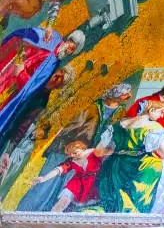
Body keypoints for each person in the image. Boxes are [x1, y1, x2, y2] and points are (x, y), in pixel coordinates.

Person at [17, 83, 131, 211]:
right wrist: (66, 143)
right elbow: (67, 125)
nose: (128, 96)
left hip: (89, 160)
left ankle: (52, 219)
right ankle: (26, 213)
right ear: (114, 92)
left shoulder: (122, 113)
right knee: (45, 188)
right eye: (125, 93)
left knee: (68, 192)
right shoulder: (91, 106)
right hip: (66, 150)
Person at [96, 100, 164, 214]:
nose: (161, 116)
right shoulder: (152, 127)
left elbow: (99, 151)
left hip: (114, 168)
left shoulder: (116, 126)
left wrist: (120, 151)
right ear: (151, 110)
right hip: (141, 167)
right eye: (161, 112)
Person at [0, 65, 74, 199]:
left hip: (11, 135)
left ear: (59, 86)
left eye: (61, 79)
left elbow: (26, 123)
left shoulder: (44, 101)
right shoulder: (37, 82)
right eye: (58, 73)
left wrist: (10, 149)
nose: (56, 77)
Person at [0, 27, 84, 137]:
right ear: (68, 40)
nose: (68, 50)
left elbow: (32, 86)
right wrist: (23, 55)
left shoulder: (53, 64)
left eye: (71, 50)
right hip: (10, 68)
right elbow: (30, 36)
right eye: (70, 45)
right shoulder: (53, 37)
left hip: (14, 85)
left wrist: (21, 73)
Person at [31, 140, 102, 212]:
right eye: (70, 154)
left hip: (92, 182)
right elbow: (58, 170)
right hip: (76, 182)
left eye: (75, 153)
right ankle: (54, 214)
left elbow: (104, 148)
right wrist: (43, 178)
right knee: (65, 197)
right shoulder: (71, 161)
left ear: (82, 148)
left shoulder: (94, 153)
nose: (73, 156)